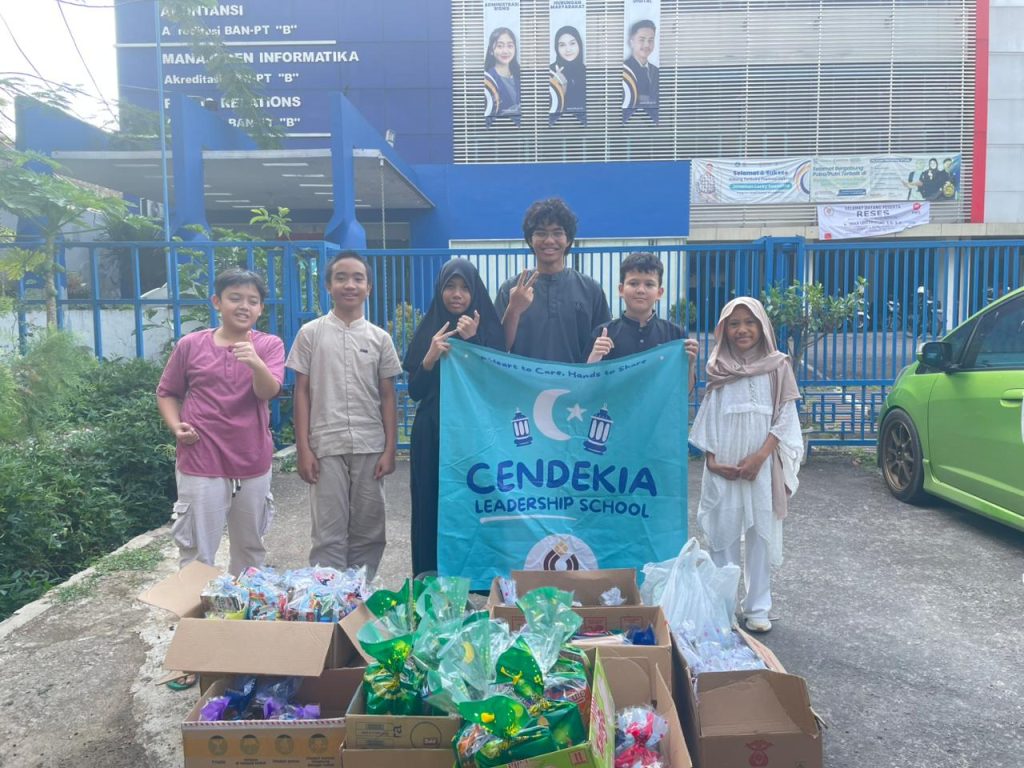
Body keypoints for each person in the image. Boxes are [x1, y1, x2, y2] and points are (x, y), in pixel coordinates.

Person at [156, 268, 285, 576]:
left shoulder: (269, 345)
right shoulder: (191, 345)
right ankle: (195, 607)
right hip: (201, 457)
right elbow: (167, 392)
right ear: (217, 302)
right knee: (197, 551)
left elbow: (268, 392)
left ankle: (243, 605)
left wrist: (255, 363)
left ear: (260, 308)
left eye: (252, 301)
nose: (244, 306)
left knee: (251, 548)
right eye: (235, 298)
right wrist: (175, 426)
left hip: (252, 459)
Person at [689, 297, 804, 634]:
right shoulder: (717, 366)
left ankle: (758, 608)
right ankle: (722, 608)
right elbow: (709, 415)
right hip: (724, 465)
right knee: (722, 535)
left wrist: (760, 457)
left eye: (750, 322)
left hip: (761, 467)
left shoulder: (778, 366)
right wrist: (712, 461)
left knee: (760, 536)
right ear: (724, 329)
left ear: (762, 327)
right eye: (734, 323)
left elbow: (785, 417)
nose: (742, 330)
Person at [286, 251, 402, 578]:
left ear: (369, 288)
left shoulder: (380, 339)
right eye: (341, 278)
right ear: (328, 285)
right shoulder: (310, 334)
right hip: (325, 446)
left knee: (370, 530)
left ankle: (359, 593)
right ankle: (329, 598)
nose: (349, 285)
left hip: (370, 445)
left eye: (357, 278)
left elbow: (388, 396)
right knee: (328, 533)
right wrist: (303, 449)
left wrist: (390, 449)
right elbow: (301, 392)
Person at [402, 259, 504, 577]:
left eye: (464, 288)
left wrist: (472, 342)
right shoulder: (430, 329)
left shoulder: (488, 331)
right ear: (439, 290)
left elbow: (494, 387)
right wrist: (430, 357)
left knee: (473, 504)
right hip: (432, 432)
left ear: (475, 292)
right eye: (450, 286)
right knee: (430, 503)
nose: (457, 294)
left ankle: (475, 582)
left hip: (471, 436)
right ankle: (429, 578)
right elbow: (415, 392)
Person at [494, 198, 611, 363]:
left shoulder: (590, 289)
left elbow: (605, 347)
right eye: (541, 233)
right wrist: (514, 309)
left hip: (577, 380)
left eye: (557, 233)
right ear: (530, 240)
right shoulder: (510, 289)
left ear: (568, 240)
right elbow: (495, 349)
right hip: (523, 380)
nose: (549, 240)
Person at [587, 252, 699, 393]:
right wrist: (594, 358)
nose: (640, 290)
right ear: (621, 290)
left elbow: (685, 393)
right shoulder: (603, 334)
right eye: (633, 283)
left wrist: (690, 364)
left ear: (659, 292)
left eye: (649, 284)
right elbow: (586, 390)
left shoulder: (676, 335)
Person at [622, 19, 659, 118]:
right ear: (631, 42)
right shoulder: (624, 70)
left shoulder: (656, 71)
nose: (647, 45)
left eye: (650, 40)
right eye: (642, 40)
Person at [549, 25, 586, 121]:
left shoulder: (586, 72)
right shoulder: (550, 72)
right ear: (556, 48)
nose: (568, 49)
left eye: (572, 43)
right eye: (562, 45)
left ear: (579, 45)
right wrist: (557, 89)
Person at [484, 27, 521, 120]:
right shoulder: (487, 79)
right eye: (500, 46)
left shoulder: (520, 75)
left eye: (510, 46)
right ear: (491, 51)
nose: (505, 51)